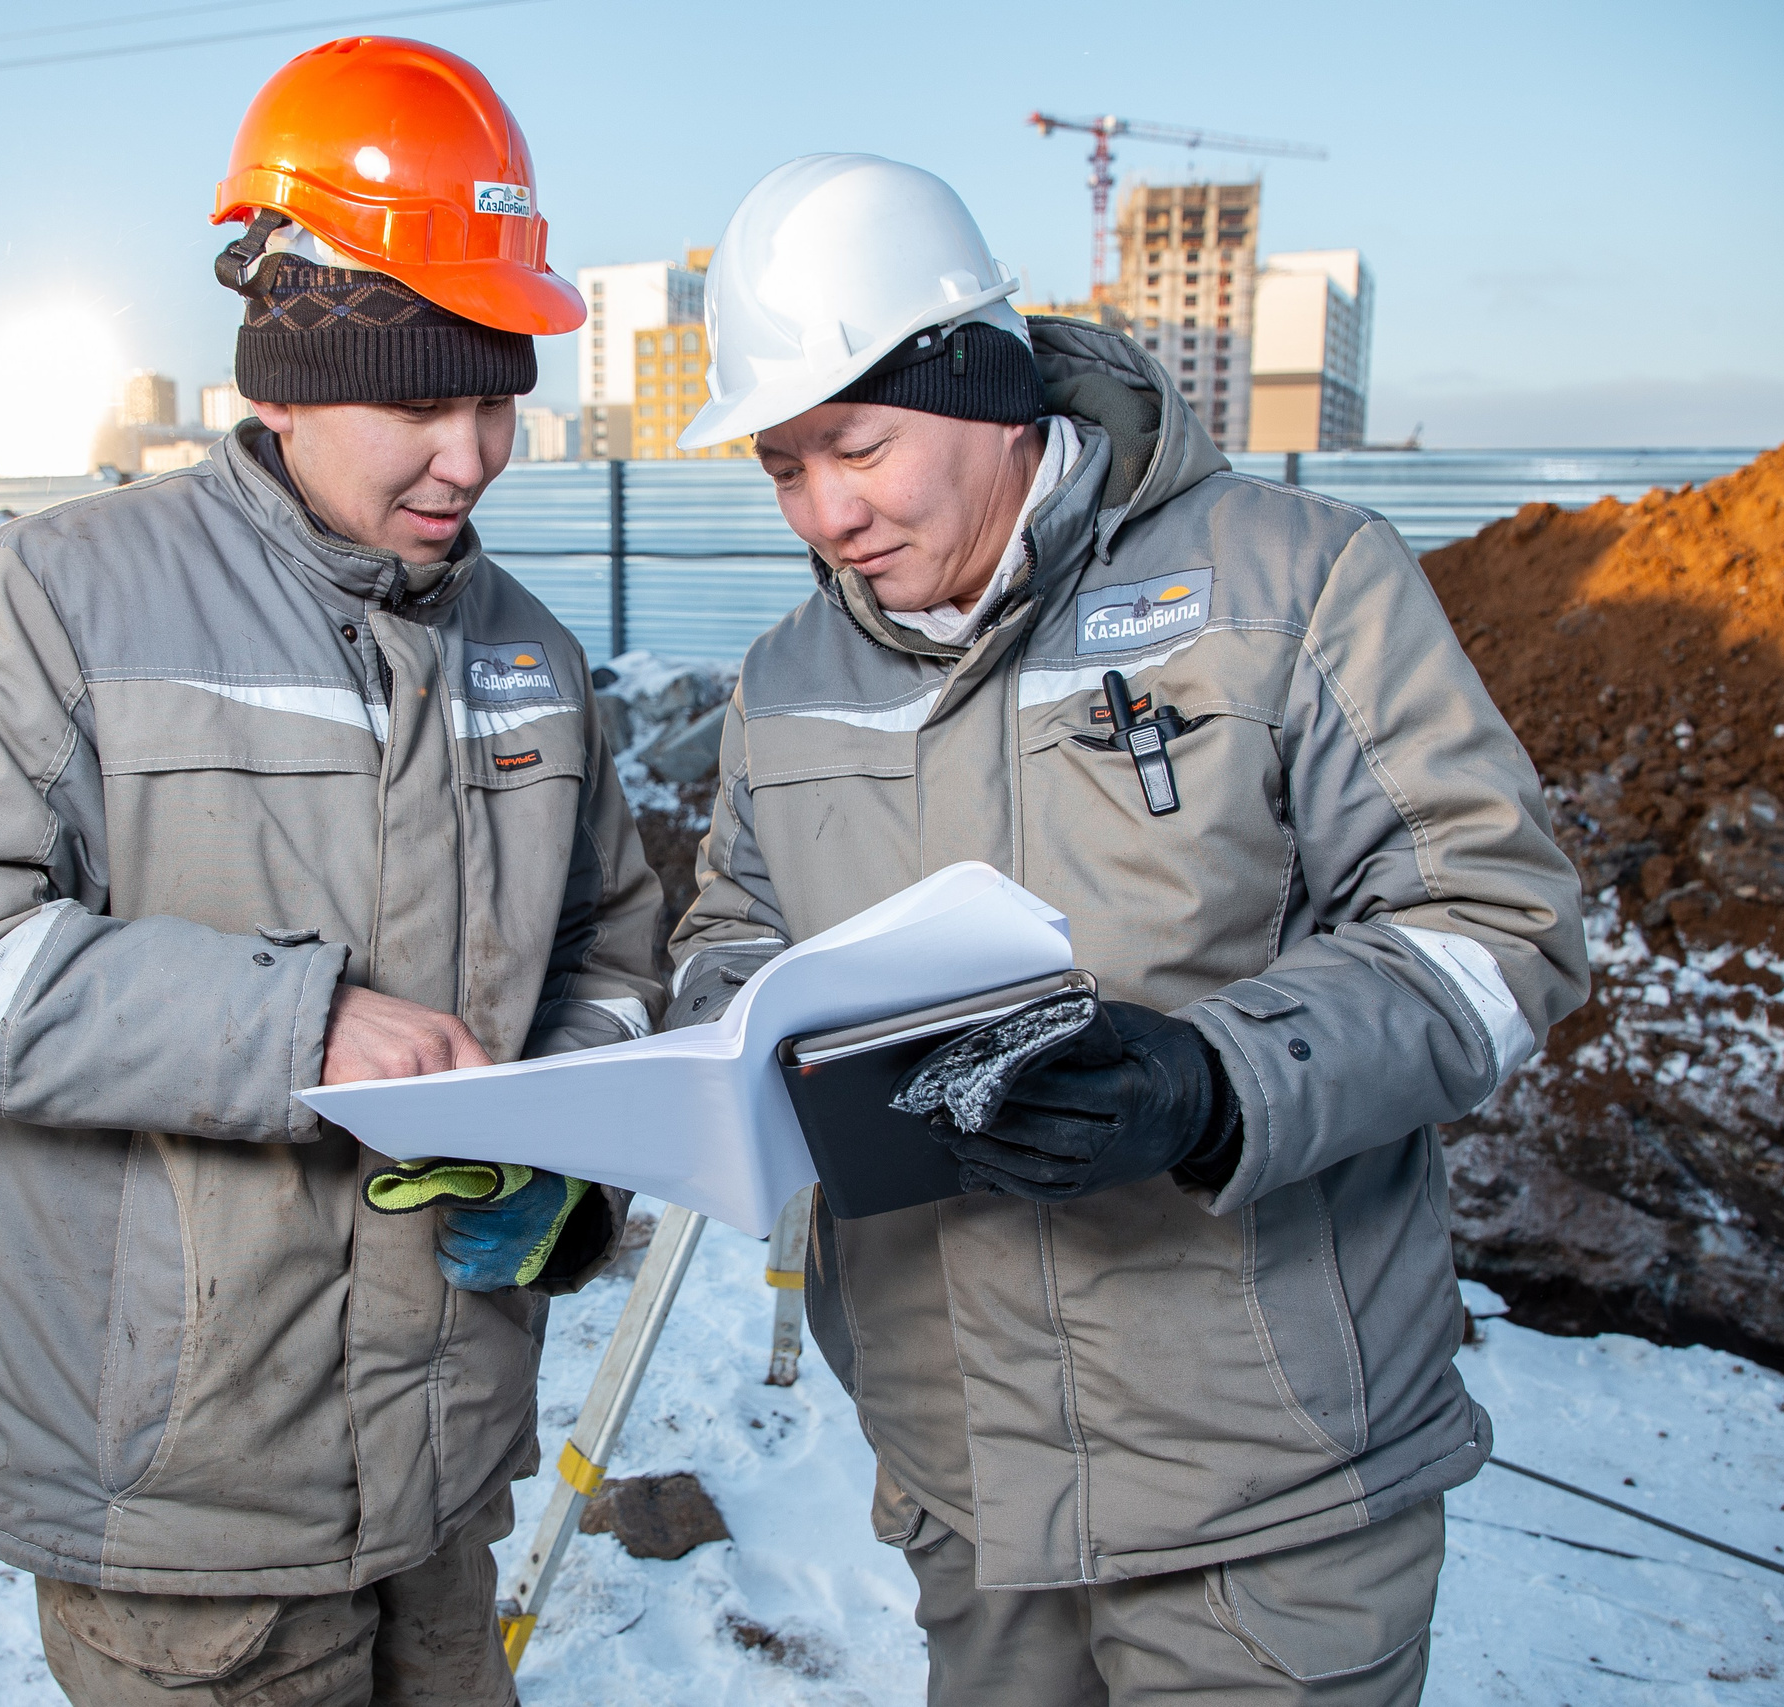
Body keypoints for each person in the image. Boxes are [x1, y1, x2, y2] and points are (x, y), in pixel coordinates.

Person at [666, 154, 1588, 1705]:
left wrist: (1217, 1081)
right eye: (782, 467)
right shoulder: (788, 678)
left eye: (861, 447)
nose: (829, 513)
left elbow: (1497, 926)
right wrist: (732, 1036)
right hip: (965, 1485)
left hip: (1268, 1496)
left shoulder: (1296, 586)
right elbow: (733, 931)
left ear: (987, 388)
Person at [0, 38, 662, 1706]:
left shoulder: (529, 654)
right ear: (282, 377)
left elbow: (608, 950)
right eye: (419, 405)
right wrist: (298, 1029)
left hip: (443, 1476)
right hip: (185, 1518)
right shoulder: (57, 602)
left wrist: (569, 1144)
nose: (474, 454)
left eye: (497, 398)